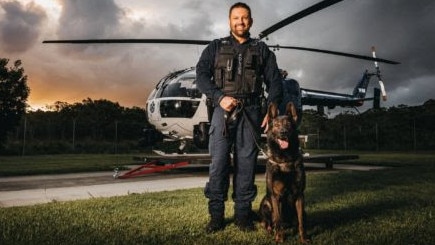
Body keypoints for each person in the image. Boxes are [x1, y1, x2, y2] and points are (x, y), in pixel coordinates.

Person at [196, 2, 282, 233]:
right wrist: (218, 97)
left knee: (246, 165)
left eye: (244, 18)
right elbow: (201, 76)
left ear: (251, 21)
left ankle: (243, 216)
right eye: (236, 18)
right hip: (222, 112)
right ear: (229, 21)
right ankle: (216, 217)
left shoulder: (262, 50)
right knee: (219, 165)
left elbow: (275, 83)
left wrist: (270, 110)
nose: (240, 22)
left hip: (251, 113)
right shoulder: (214, 47)